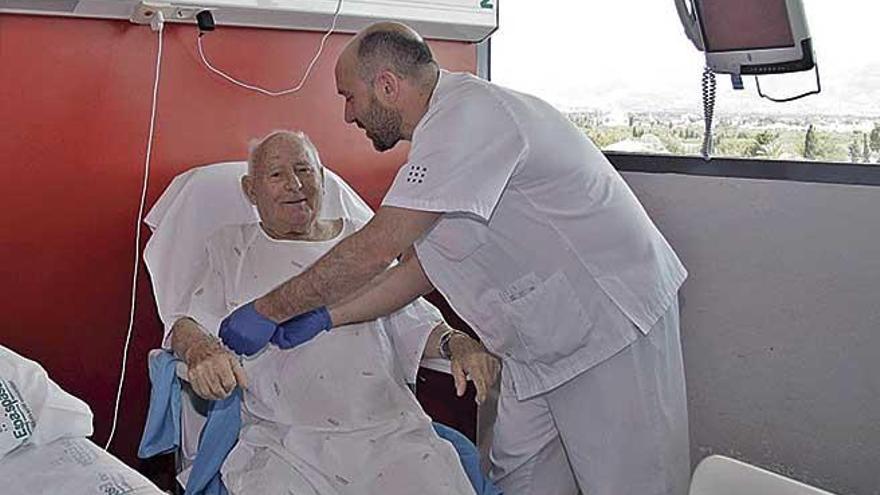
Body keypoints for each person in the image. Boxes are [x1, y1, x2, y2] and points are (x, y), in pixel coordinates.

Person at [220, 22, 691, 495]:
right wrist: (328, 316)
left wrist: (271, 309)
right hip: (537, 343)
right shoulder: (435, 147)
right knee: (522, 478)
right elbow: (418, 271)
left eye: (349, 97)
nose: (347, 115)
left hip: (608, 325)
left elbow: (378, 247)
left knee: (631, 484)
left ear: (386, 86)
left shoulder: (470, 117)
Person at [171, 130, 500, 494]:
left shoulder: (362, 244)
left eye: (304, 170)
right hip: (283, 440)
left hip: (388, 432)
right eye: (277, 175)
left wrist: (458, 343)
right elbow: (186, 323)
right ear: (251, 191)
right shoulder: (230, 247)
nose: (295, 184)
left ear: (323, 179)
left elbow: (416, 320)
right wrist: (203, 351)